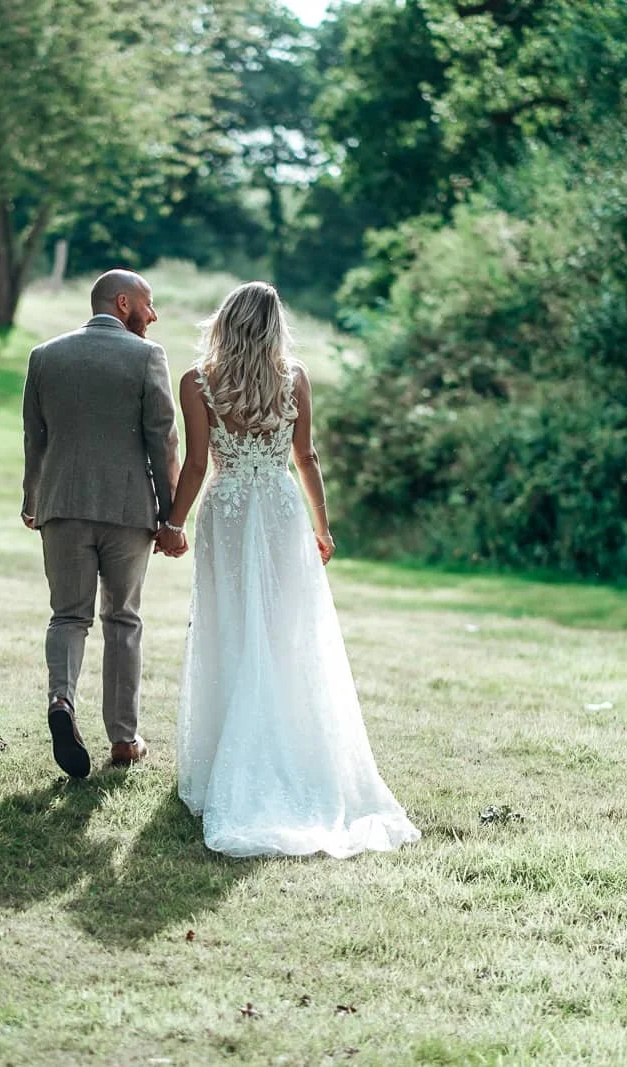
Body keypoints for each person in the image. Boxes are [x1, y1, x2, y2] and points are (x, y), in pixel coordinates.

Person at [158, 281, 420, 858]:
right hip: (280, 510)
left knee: (229, 624)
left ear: (224, 320)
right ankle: (288, 749)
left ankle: (233, 756)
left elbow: (199, 463)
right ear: (275, 324)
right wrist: (321, 526)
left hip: (227, 511)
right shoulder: (294, 377)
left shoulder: (198, 382)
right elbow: (306, 457)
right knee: (284, 630)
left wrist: (174, 523)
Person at [21, 269, 180, 779]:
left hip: (62, 505)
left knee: (68, 616)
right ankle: (123, 740)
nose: (153, 316)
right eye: (148, 305)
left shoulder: (45, 355)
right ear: (122, 302)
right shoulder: (147, 357)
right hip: (128, 512)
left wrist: (33, 498)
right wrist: (172, 514)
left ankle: (61, 701)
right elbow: (162, 440)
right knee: (123, 620)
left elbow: (34, 437)